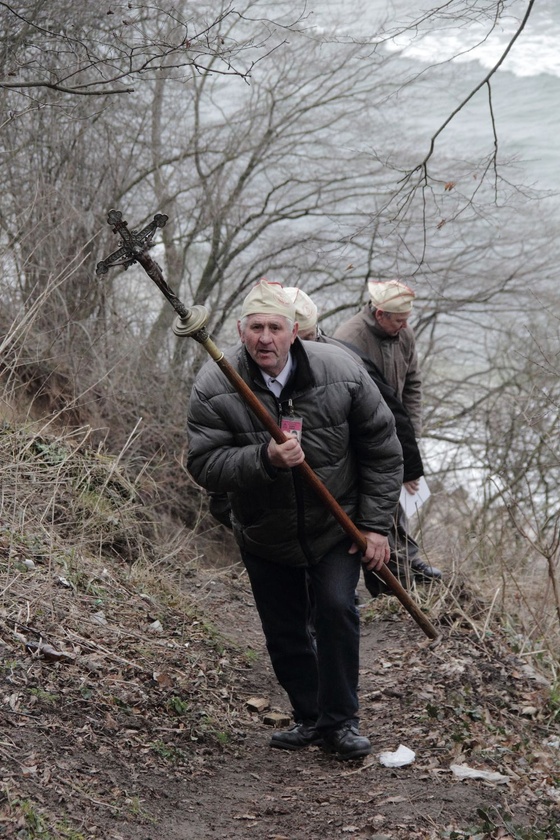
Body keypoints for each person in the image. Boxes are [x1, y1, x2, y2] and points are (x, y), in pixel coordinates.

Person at [187, 279, 403, 760]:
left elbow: (384, 451)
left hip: (336, 522)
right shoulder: (215, 383)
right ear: (241, 332)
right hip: (265, 529)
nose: (266, 338)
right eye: (257, 327)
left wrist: (375, 526)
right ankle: (310, 716)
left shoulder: (341, 371)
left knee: (335, 609)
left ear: (295, 334)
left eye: (276, 328)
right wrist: (264, 458)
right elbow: (203, 465)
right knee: (284, 629)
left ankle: (342, 722)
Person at [332, 279, 441, 585]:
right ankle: (378, 573)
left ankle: (404, 560)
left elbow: (413, 383)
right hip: (362, 435)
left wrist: (412, 431)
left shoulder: (404, 333)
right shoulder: (349, 338)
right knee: (375, 500)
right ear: (379, 314)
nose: (404, 326)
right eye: (398, 320)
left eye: (407, 320)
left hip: (397, 429)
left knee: (404, 496)